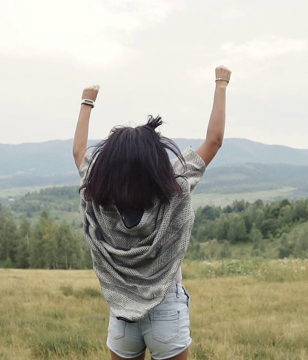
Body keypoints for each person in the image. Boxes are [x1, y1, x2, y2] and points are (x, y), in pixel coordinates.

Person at [72, 65, 231, 360]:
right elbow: (214, 141)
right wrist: (221, 84)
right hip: (166, 311)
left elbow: (80, 152)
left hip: (121, 316)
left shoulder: (99, 194)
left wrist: (87, 101)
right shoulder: (173, 188)